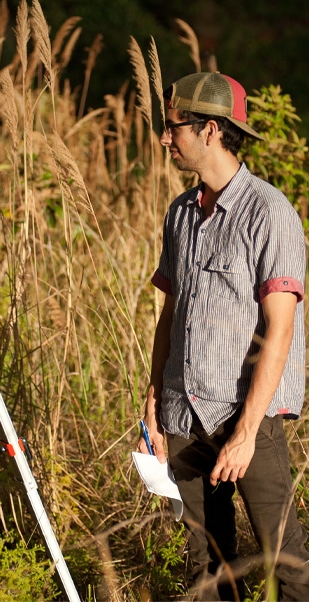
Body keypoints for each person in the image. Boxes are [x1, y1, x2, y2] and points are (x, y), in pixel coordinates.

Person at [140, 72, 309, 600]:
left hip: (245, 419)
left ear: (210, 130)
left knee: (284, 560)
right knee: (206, 568)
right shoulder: (180, 214)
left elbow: (280, 332)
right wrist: (153, 399)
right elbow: (172, 313)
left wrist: (246, 432)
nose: (166, 138)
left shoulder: (270, 213)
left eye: (174, 128)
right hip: (182, 412)